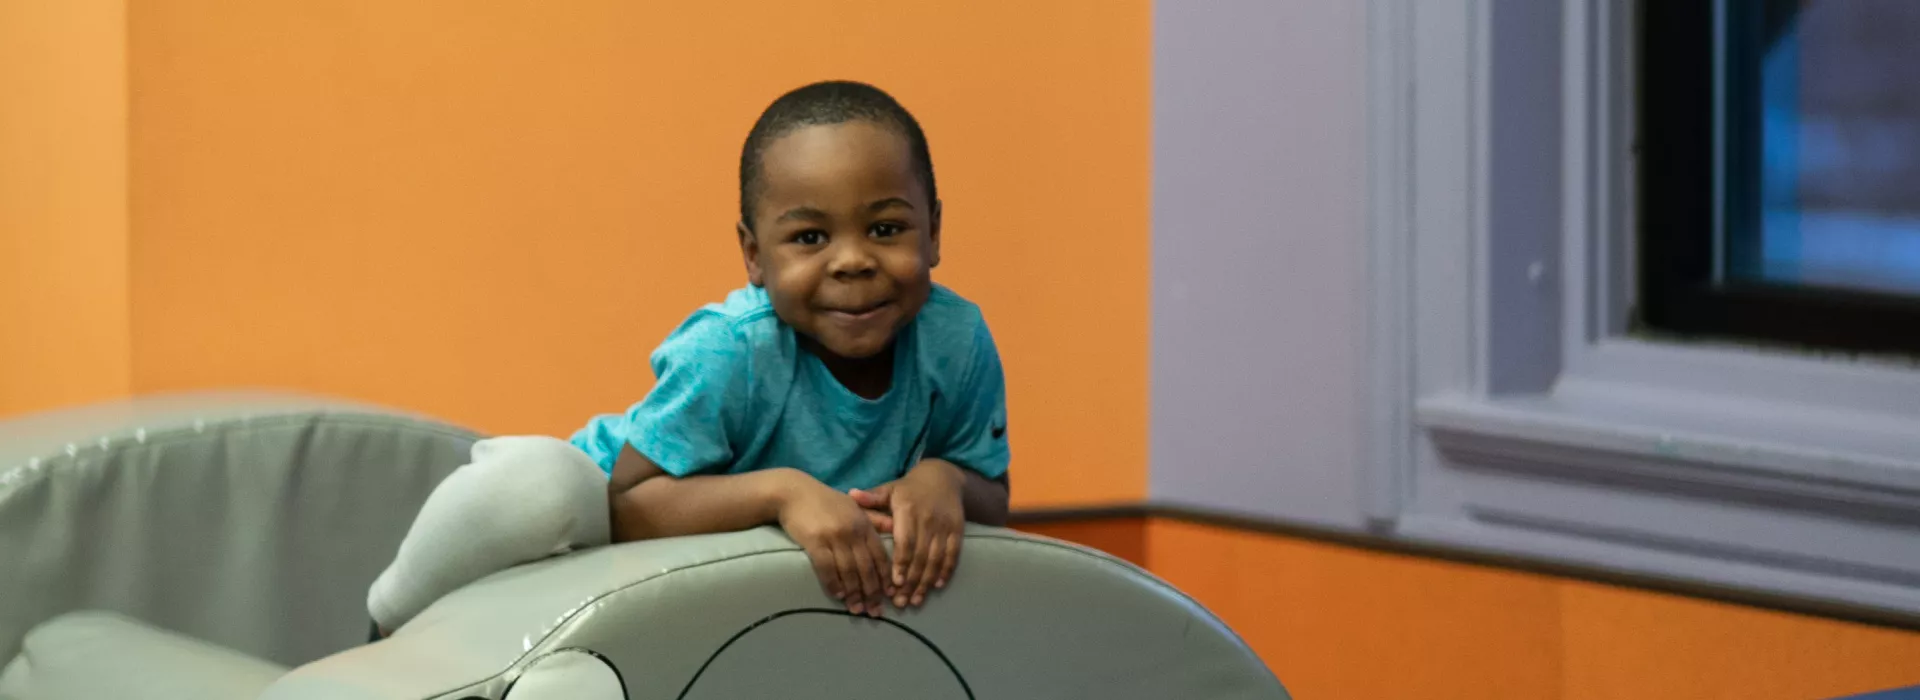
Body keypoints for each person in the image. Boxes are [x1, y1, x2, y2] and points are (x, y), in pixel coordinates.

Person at [366, 80, 1012, 637]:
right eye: (810, 237)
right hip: (594, 529)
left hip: (711, 590)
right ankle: (386, 619)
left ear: (934, 231)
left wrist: (946, 481)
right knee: (539, 485)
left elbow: (993, 494)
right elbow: (629, 506)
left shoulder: (955, 340)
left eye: (885, 229)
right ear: (754, 255)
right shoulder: (731, 349)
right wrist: (781, 492)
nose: (851, 260)